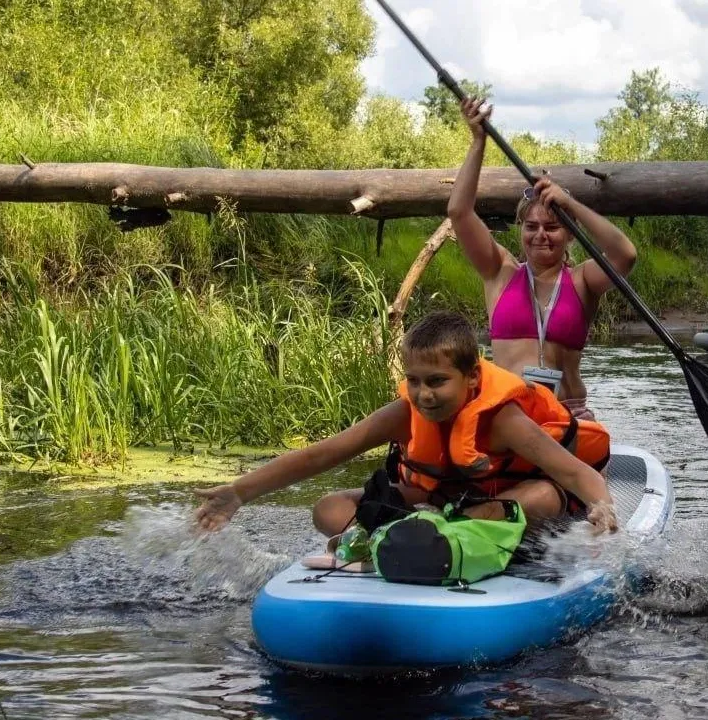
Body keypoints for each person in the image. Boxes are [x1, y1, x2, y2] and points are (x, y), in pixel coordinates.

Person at [192, 311, 618, 565]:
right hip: (436, 506)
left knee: (542, 496)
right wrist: (239, 493)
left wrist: (603, 508)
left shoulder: (503, 420)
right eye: (413, 381)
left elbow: (577, 474)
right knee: (328, 508)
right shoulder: (403, 414)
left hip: (500, 505)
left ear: (472, 378)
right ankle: (410, 543)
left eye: (436, 381)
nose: (423, 394)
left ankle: (402, 543)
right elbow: (319, 456)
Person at [448, 97, 638, 421]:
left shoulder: (582, 281)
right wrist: (478, 142)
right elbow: (459, 212)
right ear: (520, 229)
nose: (541, 235)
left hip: (567, 413)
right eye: (531, 226)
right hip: (509, 413)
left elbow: (626, 254)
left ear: (569, 234)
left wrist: (571, 206)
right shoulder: (500, 272)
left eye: (552, 227)